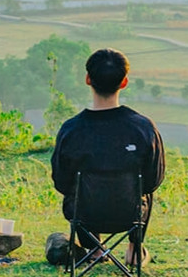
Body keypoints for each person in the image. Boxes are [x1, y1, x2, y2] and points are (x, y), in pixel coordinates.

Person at [50, 48, 165, 252]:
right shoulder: (144, 128)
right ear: (124, 82)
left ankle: (94, 250)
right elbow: (153, 180)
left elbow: (61, 182)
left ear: (87, 79)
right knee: (144, 189)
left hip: (84, 215)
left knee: (77, 191)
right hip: (130, 216)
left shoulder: (71, 130)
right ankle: (135, 249)